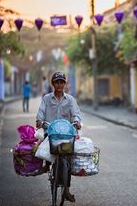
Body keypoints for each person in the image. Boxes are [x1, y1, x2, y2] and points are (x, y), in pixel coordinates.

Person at [36, 71, 82, 202]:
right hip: (50, 133)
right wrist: (39, 121)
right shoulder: (46, 99)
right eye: (57, 82)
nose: (59, 84)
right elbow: (41, 113)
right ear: (53, 84)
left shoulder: (71, 100)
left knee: (67, 159)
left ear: (65, 84)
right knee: (46, 147)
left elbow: (76, 114)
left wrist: (77, 122)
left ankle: (66, 190)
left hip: (66, 134)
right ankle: (47, 164)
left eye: (62, 82)